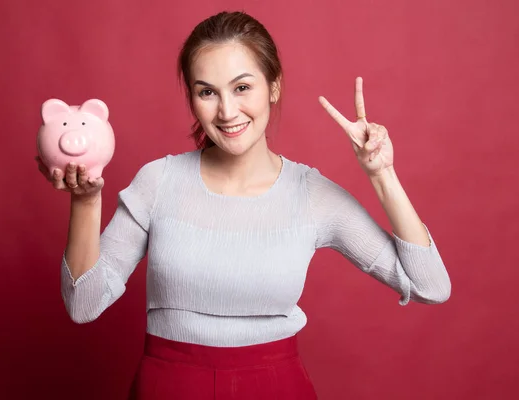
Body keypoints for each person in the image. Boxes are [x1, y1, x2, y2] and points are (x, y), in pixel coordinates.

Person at [36, 10, 451, 400]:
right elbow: (83, 305)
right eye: (207, 92)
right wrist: (86, 202)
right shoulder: (158, 181)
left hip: (275, 385)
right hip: (169, 386)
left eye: (242, 87)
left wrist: (382, 175)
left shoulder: (312, 195)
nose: (227, 111)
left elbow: (431, 287)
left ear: (273, 86)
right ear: (193, 99)